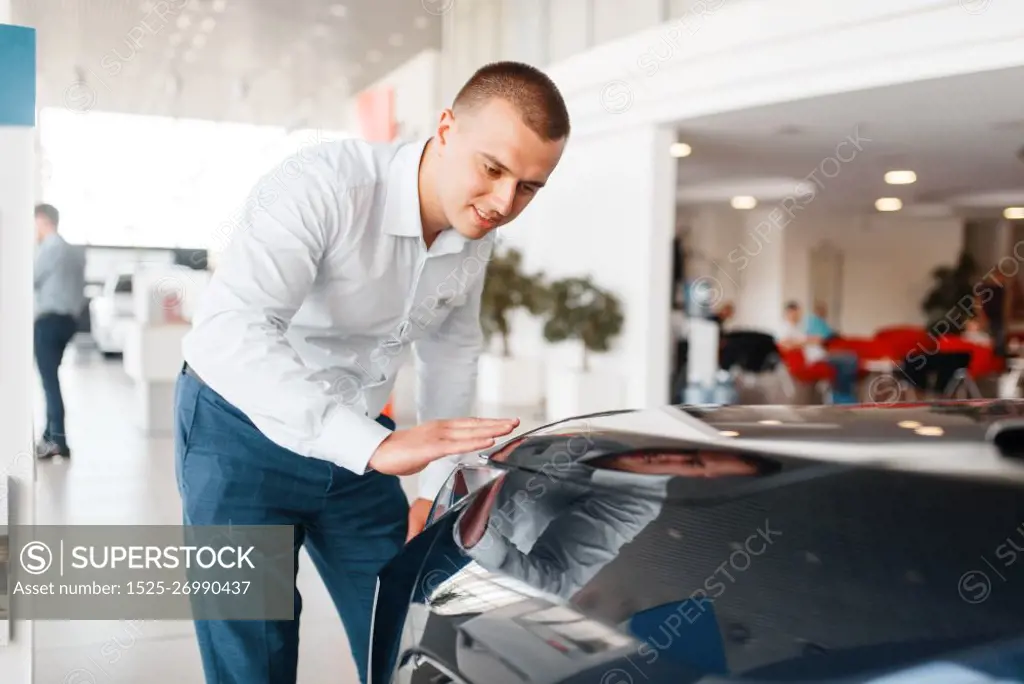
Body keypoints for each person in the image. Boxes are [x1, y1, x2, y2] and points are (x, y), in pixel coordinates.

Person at [174, 61, 570, 684]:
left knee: (415, 627)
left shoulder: (475, 230)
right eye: (493, 169)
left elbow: (450, 349)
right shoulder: (321, 186)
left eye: (528, 187)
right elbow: (230, 331)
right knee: (253, 658)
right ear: (445, 129)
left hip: (363, 446)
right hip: (240, 433)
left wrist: (432, 488)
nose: (503, 203)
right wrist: (376, 445)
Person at [33, 203, 86, 459]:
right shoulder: (72, 251)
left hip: (49, 321)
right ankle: (48, 436)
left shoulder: (50, 247)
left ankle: (59, 442)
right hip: (67, 322)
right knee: (51, 380)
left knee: (49, 383)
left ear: (42, 220)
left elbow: (28, 277)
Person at [777, 301, 858, 404]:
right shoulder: (785, 328)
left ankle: (841, 394)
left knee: (849, 357)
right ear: (789, 313)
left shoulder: (798, 328)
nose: (798, 315)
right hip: (813, 360)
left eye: (799, 313)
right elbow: (784, 345)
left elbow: (809, 340)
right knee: (848, 360)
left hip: (819, 355)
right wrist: (806, 341)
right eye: (795, 313)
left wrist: (811, 340)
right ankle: (842, 396)